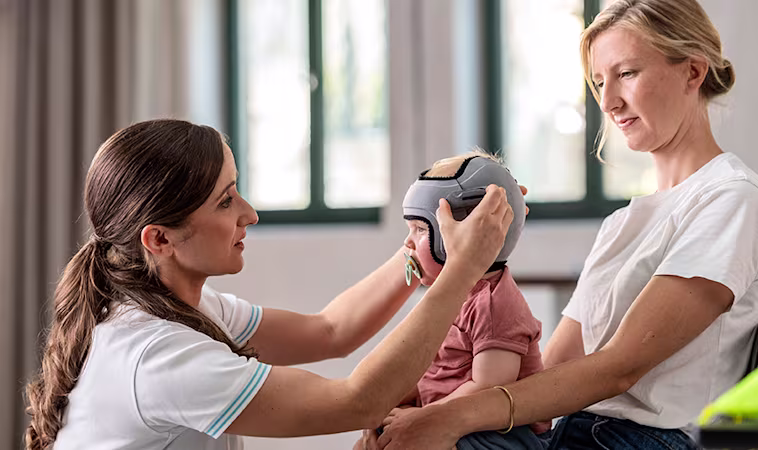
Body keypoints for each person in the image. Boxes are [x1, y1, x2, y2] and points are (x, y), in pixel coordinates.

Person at [364, 0, 758, 449]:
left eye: (626, 74)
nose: (607, 102)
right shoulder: (624, 222)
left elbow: (619, 367)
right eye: (600, 82)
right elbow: (552, 369)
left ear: (693, 72)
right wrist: (416, 410)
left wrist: (449, 418)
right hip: (577, 432)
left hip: (645, 440)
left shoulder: (732, 199)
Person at [24, 119, 515, 450]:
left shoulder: (179, 308)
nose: (249, 214)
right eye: (224, 201)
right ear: (159, 238)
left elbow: (330, 331)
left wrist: (424, 242)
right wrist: (462, 270)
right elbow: (357, 401)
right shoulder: (157, 354)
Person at [381, 151, 550, 449]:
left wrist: (424, 418)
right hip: (455, 418)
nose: (407, 242)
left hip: (500, 435)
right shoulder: (451, 297)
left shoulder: (495, 304)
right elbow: (431, 372)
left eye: (420, 229)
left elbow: (488, 389)